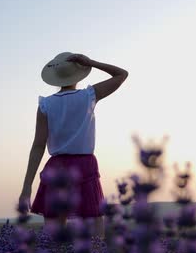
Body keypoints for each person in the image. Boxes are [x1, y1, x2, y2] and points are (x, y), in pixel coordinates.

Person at [18, 52, 128, 236]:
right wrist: (91, 62)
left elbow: (38, 145)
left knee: (54, 235)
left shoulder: (45, 104)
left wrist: (26, 186)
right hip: (85, 165)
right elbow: (121, 74)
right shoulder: (89, 96)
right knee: (95, 235)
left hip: (56, 167)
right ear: (79, 72)